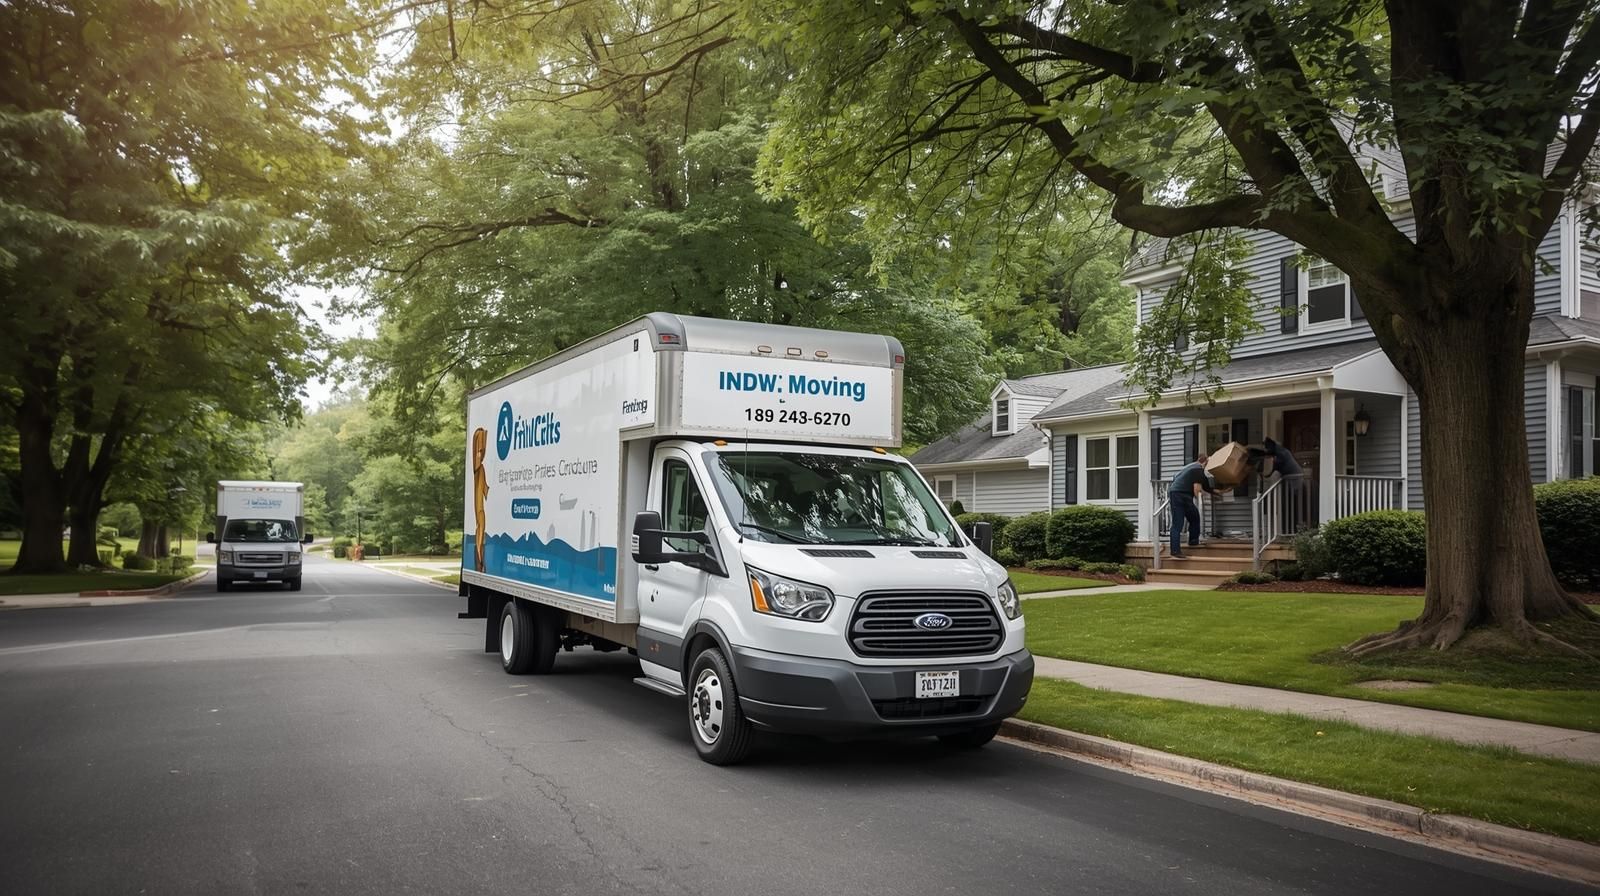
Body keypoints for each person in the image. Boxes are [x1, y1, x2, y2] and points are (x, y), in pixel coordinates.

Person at [1167, 453, 1216, 559]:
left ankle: (1193, 541)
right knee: (1178, 523)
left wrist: (1219, 492)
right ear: (1205, 462)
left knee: (1193, 517)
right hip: (1181, 494)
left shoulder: (1189, 467)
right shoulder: (1198, 469)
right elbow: (1196, 490)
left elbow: (1175, 476)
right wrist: (1202, 497)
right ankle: (1175, 551)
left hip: (1176, 492)